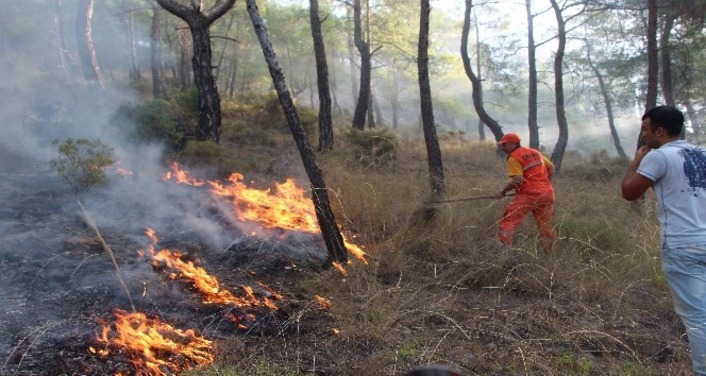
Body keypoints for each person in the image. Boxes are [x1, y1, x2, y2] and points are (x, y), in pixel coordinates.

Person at [621, 105, 706, 375]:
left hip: (683, 246)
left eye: (645, 130)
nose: (643, 136)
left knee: (696, 316)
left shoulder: (659, 157)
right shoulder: (703, 153)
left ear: (660, 131)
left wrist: (636, 160)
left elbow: (629, 192)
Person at [494, 132, 556, 253]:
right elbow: (552, 168)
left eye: (504, 144)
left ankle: (503, 252)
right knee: (546, 226)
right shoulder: (534, 152)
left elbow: (518, 179)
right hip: (547, 193)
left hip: (529, 195)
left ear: (513, 144)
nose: (502, 147)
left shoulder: (514, 157)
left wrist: (502, 192)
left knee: (508, 221)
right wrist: (544, 185)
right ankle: (550, 254)